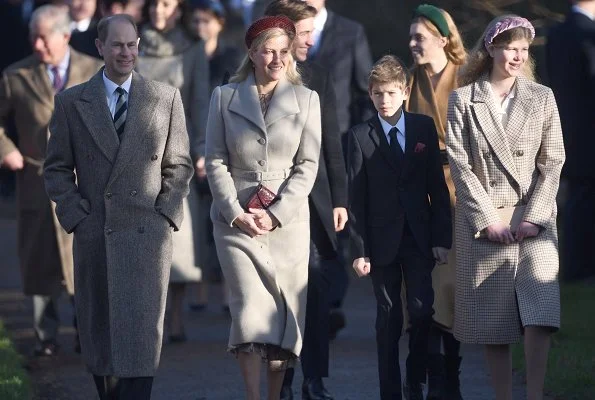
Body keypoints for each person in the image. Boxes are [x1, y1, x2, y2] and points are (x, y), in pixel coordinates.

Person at [44, 14, 193, 400]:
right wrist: (77, 216)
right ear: (100, 47)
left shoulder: (164, 97)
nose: (125, 52)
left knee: (142, 342)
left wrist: (166, 214)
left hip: (147, 237)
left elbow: (179, 165)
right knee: (102, 340)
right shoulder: (72, 102)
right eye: (117, 45)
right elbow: (57, 168)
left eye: (131, 45)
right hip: (97, 235)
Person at [446, 15, 565, 400]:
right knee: (492, 320)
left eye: (524, 49)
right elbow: (460, 166)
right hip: (485, 221)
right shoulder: (463, 100)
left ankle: (534, 394)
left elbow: (554, 161)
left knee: (540, 314)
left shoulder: (541, 97)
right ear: (491, 49)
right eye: (510, 47)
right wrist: (486, 220)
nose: (517, 56)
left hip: (535, 220)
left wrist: (535, 216)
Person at [205, 15, 321, 400]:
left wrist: (275, 214)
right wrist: (234, 211)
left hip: (286, 223)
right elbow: (216, 159)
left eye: (283, 52)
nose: (276, 59)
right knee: (250, 311)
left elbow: (308, 166)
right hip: (235, 221)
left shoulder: (307, 100)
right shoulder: (224, 96)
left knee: (283, 318)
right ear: (251, 53)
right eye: (268, 51)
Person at [348, 54, 451, 400]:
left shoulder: (422, 128)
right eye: (377, 94)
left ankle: (414, 377)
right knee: (388, 319)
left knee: (422, 310)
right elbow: (356, 199)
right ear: (370, 94)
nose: (384, 100)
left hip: (419, 237)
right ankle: (389, 391)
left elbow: (437, 188)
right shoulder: (360, 136)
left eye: (391, 93)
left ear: (405, 92)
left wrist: (441, 238)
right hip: (380, 242)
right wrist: (360, 250)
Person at [0, 4, 100, 357]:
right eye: (33, 37)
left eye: (43, 37)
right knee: (38, 258)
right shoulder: (17, 75)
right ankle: (46, 336)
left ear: (65, 36)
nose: (37, 45)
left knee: (85, 260)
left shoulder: (94, 71)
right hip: (36, 180)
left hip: (82, 184)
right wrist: (6, 148)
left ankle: (86, 332)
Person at [264, 1, 347, 400]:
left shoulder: (319, 76)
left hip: (312, 206)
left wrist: (340, 201)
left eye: (313, 31)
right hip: (265, 205)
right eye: (305, 32)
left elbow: (332, 143)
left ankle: (314, 379)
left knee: (314, 296)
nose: (312, 40)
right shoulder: (251, 76)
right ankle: (282, 382)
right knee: (276, 298)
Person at [136, 0, 209, 342]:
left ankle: (175, 319)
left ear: (178, 9)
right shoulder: (132, 44)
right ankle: (148, 317)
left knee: (179, 238)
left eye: (166, 4)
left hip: (177, 149)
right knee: (141, 236)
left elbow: (200, 101)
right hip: (136, 152)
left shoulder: (191, 50)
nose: (158, 11)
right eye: (154, 4)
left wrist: (203, 149)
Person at [404, 4, 466, 399]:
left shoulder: (467, 76)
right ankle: (423, 375)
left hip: (459, 191)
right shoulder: (409, 80)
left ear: (444, 39)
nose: (412, 44)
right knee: (421, 288)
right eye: (410, 37)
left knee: (450, 287)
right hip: (419, 188)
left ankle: (448, 379)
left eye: (420, 37)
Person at [304, 0, 374, 336]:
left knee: (337, 230)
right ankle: (313, 306)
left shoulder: (350, 32)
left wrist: (362, 143)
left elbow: (365, 90)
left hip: (339, 146)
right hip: (295, 149)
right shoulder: (281, 31)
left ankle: (329, 303)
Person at [187, 0, 241, 313]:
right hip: (191, 140)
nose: (200, 28)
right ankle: (200, 292)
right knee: (195, 222)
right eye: (195, 21)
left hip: (223, 144)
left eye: (206, 21)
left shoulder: (232, 56)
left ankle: (226, 294)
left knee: (224, 218)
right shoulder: (188, 56)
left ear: (219, 22)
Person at [546, 0, 595, 282]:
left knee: (579, 198)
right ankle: (580, 269)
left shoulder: (557, 33)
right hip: (589, 131)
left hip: (569, 129)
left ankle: (578, 267)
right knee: (584, 202)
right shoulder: (586, 32)